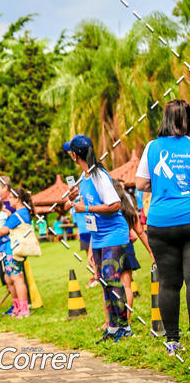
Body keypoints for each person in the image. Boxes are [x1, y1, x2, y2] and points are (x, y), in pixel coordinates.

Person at [135, 99, 190, 356]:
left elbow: (140, 183)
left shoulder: (152, 147)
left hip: (160, 222)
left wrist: (160, 186)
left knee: (169, 283)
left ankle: (172, 341)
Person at [63, 135, 130, 343]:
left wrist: (86, 208)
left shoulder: (98, 174)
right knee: (103, 281)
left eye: (70, 152)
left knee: (111, 277)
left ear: (75, 155)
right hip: (99, 236)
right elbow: (90, 204)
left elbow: (115, 205)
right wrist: (77, 199)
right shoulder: (85, 177)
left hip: (114, 233)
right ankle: (111, 327)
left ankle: (124, 326)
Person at [113, 179, 154, 319]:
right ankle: (127, 319)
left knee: (110, 286)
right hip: (128, 248)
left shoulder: (109, 210)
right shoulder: (129, 210)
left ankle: (113, 321)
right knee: (127, 286)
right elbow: (140, 232)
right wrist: (150, 250)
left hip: (111, 249)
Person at [0, 187, 35, 318]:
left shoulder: (19, 214)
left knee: (17, 278)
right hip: (6, 250)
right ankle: (17, 307)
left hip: (13, 250)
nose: (8, 200)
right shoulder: (20, 212)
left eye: (11, 197)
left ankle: (24, 309)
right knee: (9, 278)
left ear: (17, 199)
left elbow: (3, 230)